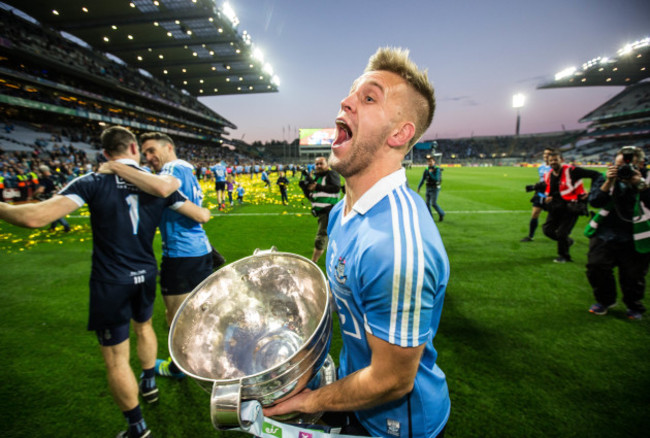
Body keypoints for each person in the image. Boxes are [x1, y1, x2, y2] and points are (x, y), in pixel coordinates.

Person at [264, 47, 450, 438]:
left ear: (399, 134)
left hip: (397, 426)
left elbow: (393, 380)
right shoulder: (341, 212)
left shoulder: (395, 247)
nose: (346, 101)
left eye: (369, 98)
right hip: (353, 395)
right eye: (351, 93)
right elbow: (350, 299)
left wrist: (310, 402)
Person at [0, 126, 211, 438]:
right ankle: (150, 383)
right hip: (146, 273)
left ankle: (137, 428)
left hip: (111, 280)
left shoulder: (93, 181)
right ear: (134, 150)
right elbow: (199, 213)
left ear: (105, 154)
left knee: (115, 358)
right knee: (145, 327)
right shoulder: (156, 186)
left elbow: (34, 217)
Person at [98, 131, 225, 380]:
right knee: (199, 310)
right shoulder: (186, 170)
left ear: (168, 147)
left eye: (152, 151)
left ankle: (182, 366)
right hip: (198, 250)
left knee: (176, 319)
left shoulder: (174, 170)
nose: (148, 157)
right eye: (144, 153)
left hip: (181, 253)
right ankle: (209, 353)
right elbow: (198, 212)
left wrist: (115, 166)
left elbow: (164, 187)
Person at [584, 146, 650, 320]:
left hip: (637, 234)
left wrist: (639, 183)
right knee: (596, 267)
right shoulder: (604, 177)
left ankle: (633, 305)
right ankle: (605, 301)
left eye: (629, 164)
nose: (623, 168)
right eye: (619, 164)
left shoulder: (647, 179)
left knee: (633, 275)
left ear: (642, 164)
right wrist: (608, 182)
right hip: (606, 230)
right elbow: (595, 201)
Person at [541, 151, 603, 263]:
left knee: (562, 233)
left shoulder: (572, 171)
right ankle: (567, 242)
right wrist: (548, 196)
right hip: (556, 207)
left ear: (562, 160)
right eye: (551, 160)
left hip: (571, 207)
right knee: (547, 230)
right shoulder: (550, 174)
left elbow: (596, 174)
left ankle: (564, 256)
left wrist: (592, 192)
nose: (553, 162)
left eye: (556, 160)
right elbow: (553, 189)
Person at [299, 156, 340, 263]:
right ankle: (338, 254)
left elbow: (336, 188)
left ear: (327, 164)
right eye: (317, 164)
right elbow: (313, 195)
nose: (318, 166)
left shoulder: (331, 174)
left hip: (329, 210)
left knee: (321, 237)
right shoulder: (316, 177)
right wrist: (305, 189)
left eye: (321, 163)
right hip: (321, 212)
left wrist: (317, 187)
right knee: (330, 235)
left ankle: (313, 262)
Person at [520, 147, 553, 241]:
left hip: (551, 194)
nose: (546, 155)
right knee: (534, 214)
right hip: (540, 193)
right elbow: (542, 180)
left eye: (548, 153)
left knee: (555, 216)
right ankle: (530, 236)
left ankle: (564, 234)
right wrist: (535, 186)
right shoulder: (541, 167)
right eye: (545, 153)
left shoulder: (555, 167)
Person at [33, 165, 71, 232]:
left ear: (43, 172)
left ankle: (66, 225)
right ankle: (53, 227)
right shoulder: (57, 176)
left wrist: (33, 195)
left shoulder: (45, 180)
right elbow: (65, 185)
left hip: (51, 197)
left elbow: (40, 190)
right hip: (61, 195)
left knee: (54, 212)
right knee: (54, 211)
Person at [417, 154, 445, 222]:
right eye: (429, 161)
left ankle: (441, 213)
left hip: (435, 188)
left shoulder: (437, 169)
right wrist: (419, 187)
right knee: (427, 204)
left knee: (433, 203)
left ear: (434, 162)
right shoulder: (426, 169)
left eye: (431, 161)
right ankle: (430, 218)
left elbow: (436, 179)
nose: (430, 163)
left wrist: (431, 173)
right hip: (428, 187)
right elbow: (423, 179)